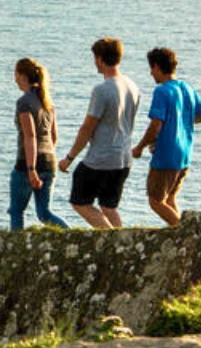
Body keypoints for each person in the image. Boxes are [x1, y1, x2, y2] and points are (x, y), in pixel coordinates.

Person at [58, 37, 142, 229]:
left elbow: (87, 128)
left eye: (95, 58)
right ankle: (122, 242)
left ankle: (109, 237)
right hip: (123, 158)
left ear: (101, 59)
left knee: (80, 201)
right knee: (108, 206)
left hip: (101, 158)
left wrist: (69, 158)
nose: (94, 62)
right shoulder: (132, 86)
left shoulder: (102, 90)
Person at [133, 47, 201, 225]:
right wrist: (181, 123)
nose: (151, 73)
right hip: (185, 153)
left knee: (155, 201)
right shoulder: (187, 88)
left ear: (158, 67)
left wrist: (139, 147)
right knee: (170, 199)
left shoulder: (162, 91)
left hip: (166, 155)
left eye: (151, 68)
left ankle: (186, 234)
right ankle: (183, 233)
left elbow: (155, 125)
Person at [9, 57, 69, 229]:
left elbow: (30, 136)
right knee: (44, 213)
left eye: (16, 74)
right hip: (49, 161)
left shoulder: (24, 103)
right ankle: (70, 235)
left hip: (28, 163)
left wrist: (31, 169)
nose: (14, 79)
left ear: (22, 76)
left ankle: (16, 249)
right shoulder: (48, 103)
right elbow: (53, 137)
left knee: (16, 211)